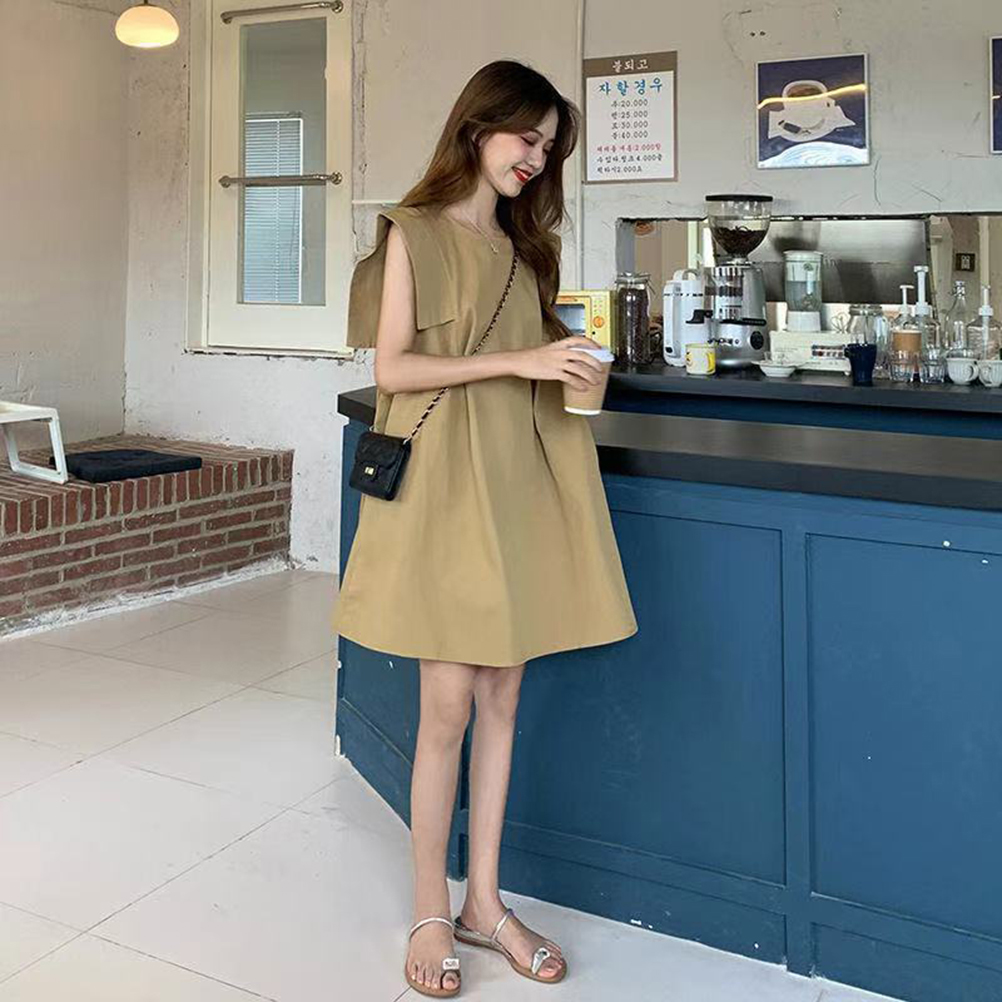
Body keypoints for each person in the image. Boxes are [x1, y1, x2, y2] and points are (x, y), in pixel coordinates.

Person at [335, 59, 637, 998]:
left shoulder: (525, 251)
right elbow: (393, 370)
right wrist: (521, 359)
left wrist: (573, 370)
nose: (537, 159)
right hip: (443, 484)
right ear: (479, 128)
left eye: (549, 147)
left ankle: (485, 902)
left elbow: (537, 371)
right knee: (447, 705)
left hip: (514, 481)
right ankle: (432, 907)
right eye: (527, 137)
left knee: (503, 695)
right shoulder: (413, 232)